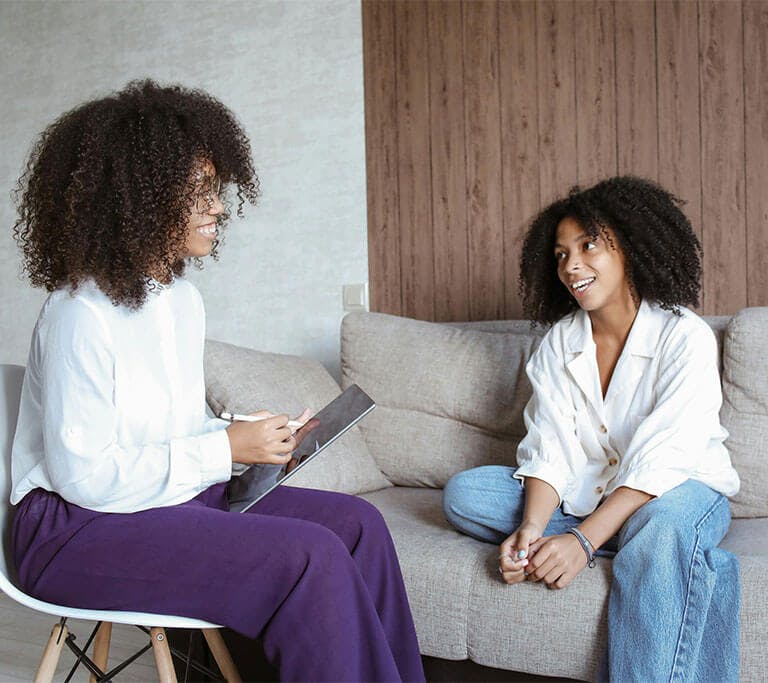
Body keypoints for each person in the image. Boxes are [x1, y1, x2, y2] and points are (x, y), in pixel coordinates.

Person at [11, 79, 424, 683]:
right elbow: (86, 477)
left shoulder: (180, 299)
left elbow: (165, 430)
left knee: (360, 526)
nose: (221, 208)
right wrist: (223, 450)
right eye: (200, 192)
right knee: (309, 558)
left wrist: (239, 436)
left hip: (154, 501)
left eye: (218, 190)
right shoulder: (80, 314)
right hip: (72, 529)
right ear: (141, 198)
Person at [442, 176, 741, 682]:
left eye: (587, 246)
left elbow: (662, 461)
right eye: (560, 254)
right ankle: (663, 555)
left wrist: (581, 542)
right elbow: (548, 446)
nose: (571, 265)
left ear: (630, 245)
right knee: (466, 493)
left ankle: (653, 546)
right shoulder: (560, 343)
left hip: (680, 491)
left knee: (663, 524)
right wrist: (532, 531)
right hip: (587, 498)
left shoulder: (682, 335)